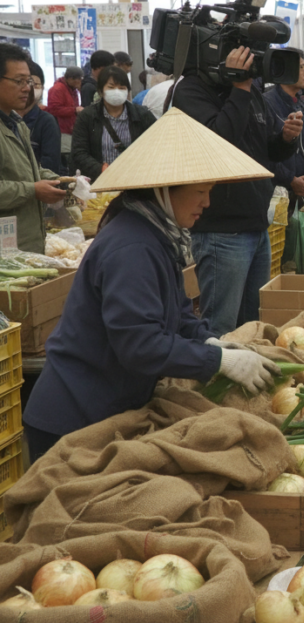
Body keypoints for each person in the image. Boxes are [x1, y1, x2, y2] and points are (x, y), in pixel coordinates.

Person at [21, 108, 283, 463]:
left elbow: (174, 315)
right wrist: (216, 360)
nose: (207, 202)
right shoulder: (133, 247)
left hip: (105, 406)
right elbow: (140, 345)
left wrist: (209, 340)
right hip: (74, 418)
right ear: (164, 191)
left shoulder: (157, 235)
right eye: (201, 191)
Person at [172, 45, 302, 337]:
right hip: (222, 230)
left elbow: (265, 151)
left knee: (252, 326)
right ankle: (214, 379)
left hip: (257, 225)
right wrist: (239, 88)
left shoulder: (251, 91)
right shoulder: (192, 90)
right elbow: (220, 143)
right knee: (221, 327)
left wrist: (285, 138)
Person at [0, 44, 67, 254]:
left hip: (25, 245)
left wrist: (62, 181)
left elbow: (31, 172)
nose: (27, 88)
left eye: (28, 81)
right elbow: (29, 184)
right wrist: (33, 190)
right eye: (19, 81)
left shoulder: (16, 123)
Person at [70, 66, 155, 181]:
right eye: (111, 87)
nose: (117, 92)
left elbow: (155, 146)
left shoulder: (142, 115)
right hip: (100, 182)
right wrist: (100, 169)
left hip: (135, 182)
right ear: (101, 90)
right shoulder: (87, 116)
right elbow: (79, 151)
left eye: (122, 88)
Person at [264, 50, 304, 204]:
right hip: (276, 194)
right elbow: (264, 152)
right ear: (287, 70)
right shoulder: (266, 104)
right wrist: (291, 180)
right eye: (302, 68)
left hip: (303, 190)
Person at [20, 61, 63, 175]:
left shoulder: (47, 122)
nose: (29, 88)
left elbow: (50, 164)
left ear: (43, 88)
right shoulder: (7, 119)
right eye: (22, 82)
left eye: (35, 84)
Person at [46, 65, 83, 169]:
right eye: (78, 79)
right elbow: (53, 109)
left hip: (71, 128)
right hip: (62, 129)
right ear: (70, 79)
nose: (80, 82)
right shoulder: (57, 89)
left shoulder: (73, 89)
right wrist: (74, 110)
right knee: (67, 156)